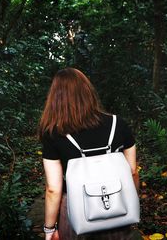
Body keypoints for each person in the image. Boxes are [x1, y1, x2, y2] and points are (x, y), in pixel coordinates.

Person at [38, 68, 140, 240]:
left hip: (75, 212)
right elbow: (132, 172)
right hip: (116, 207)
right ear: (88, 92)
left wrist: (49, 229)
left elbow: (53, 189)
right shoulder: (118, 124)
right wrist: (130, 202)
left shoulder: (53, 133)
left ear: (56, 97)